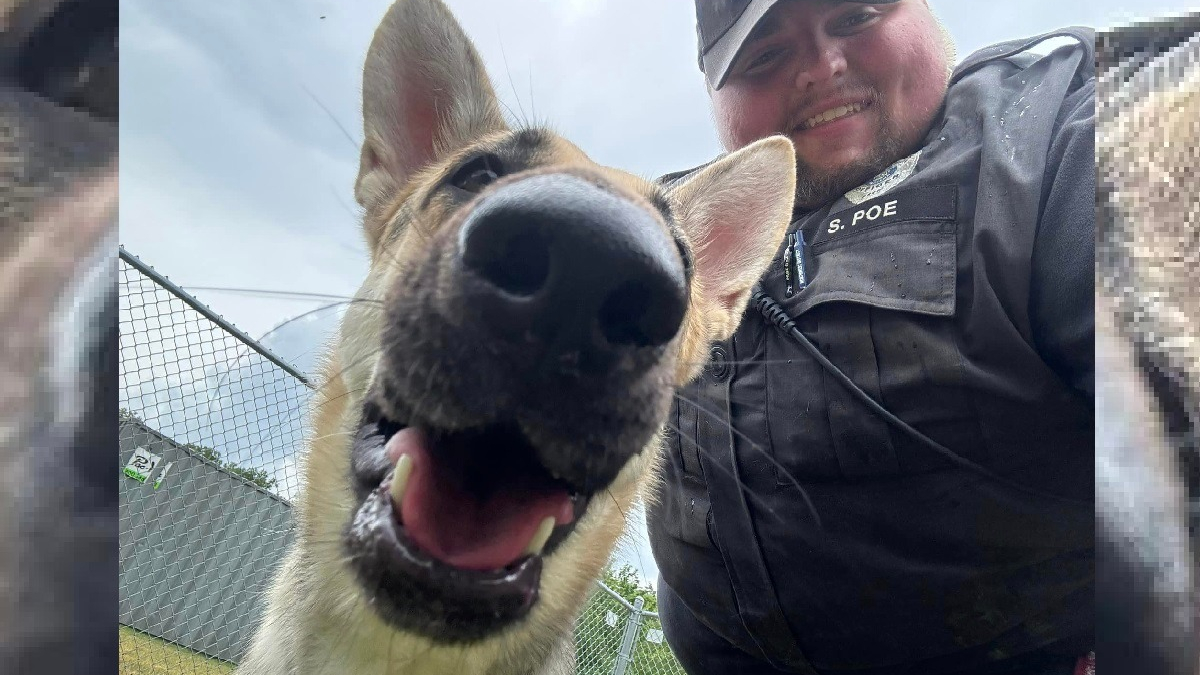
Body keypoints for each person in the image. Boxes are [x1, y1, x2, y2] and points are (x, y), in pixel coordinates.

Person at [647, 1, 1095, 674]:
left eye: (856, 15)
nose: (822, 67)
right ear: (716, 94)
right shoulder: (668, 227)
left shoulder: (1050, 137)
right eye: (765, 56)